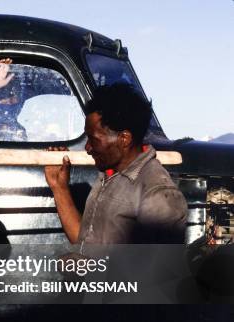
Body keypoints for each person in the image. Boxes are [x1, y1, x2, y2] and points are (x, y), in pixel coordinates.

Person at [44, 83, 188, 244]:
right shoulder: (109, 175)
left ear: (124, 138)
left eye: (94, 139)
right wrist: (59, 187)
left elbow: (152, 267)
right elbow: (84, 243)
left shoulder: (158, 195)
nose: (87, 148)